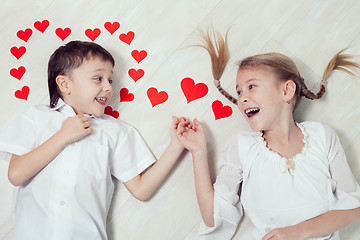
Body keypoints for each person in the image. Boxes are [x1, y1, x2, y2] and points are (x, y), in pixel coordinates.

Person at [176, 30, 360, 240]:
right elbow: (214, 218)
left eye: (251, 87)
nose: (242, 98)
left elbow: (354, 207)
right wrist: (198, 153)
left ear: (286, 91)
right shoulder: (241, 146)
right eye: (239, 92)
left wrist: (299, 232)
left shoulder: (322, 136)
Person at [0, 41, 185, 240]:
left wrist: (176, 145)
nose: (108, 88)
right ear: (65, 84)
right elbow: (16, 174)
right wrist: (63, 136)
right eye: (98, 79)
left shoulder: (116, 132)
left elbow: (141, 189)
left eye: (110, 81)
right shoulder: (36, 117)